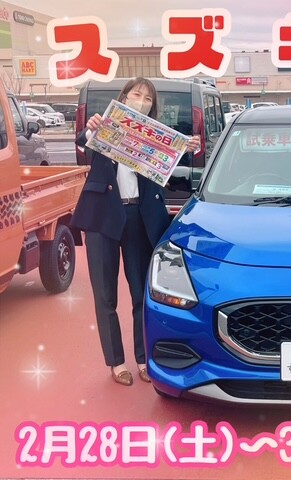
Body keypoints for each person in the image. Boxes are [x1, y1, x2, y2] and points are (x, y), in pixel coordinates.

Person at [71, 77, 200, 386]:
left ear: (152, 107)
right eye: (136, 94)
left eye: (147, 99)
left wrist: (185, 146)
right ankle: (116, 362)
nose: (141, 101)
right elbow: (83, 140)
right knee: (105, 294)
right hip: (103, 216)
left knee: (141, 292)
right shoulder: (105, 125)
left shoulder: (154, 137)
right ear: (124, 96)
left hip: (139, 217)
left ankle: (143, 359)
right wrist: (91, 128)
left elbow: (171, 157)